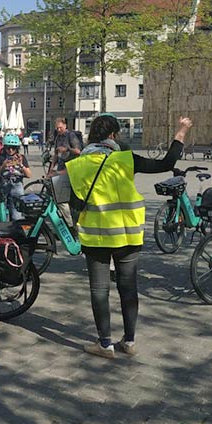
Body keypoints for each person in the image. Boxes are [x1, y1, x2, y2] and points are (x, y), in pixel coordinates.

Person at [69, 114, 192, 359]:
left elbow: (74, 202)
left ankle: (105, 344)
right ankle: (129, 341)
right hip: (128, 234)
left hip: (96, 237)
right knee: (128, 287)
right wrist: (181, 131)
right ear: (113, 135)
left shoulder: (79, 164)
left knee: (99, 289)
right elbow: (166, 162)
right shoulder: (126, 160)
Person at [0, 133, 32, 220]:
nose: (10, 150)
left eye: (13, 148)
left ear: (17, 148)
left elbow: (29, 175)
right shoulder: (1, 157)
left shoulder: (21, 157)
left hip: (17, 184)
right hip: (4, 184)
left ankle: (16, 230)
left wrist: (21, 165)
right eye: (8, 147)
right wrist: (3, 166)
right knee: (0, 210)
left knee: (17, 215)